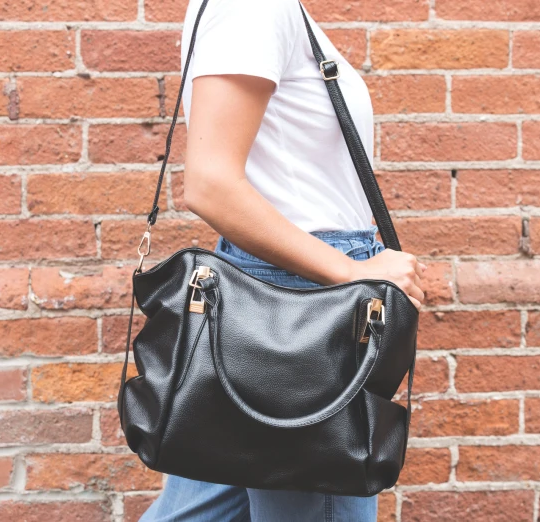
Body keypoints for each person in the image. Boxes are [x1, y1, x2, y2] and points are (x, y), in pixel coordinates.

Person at [140, 0, 425, 520]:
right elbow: (209, 184)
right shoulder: (253, 6)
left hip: (278, 299)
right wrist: (352, 271)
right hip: (305, 302)